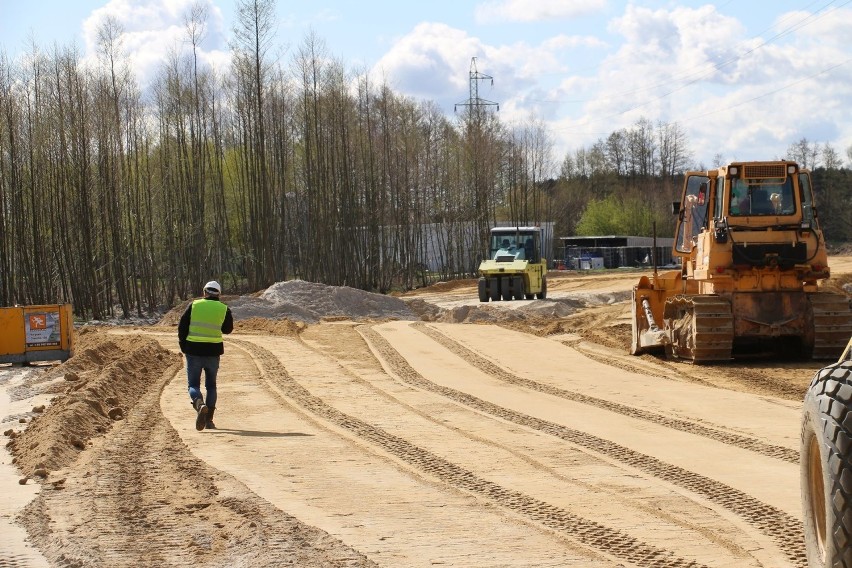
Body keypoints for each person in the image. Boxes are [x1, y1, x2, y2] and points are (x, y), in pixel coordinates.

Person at [178, 280, 234, 431]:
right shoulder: (224, 309)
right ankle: (209, 420)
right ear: (219, 295)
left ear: (204, 292)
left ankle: (199, 404)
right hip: (213, 353)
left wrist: (184, 346)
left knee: (193, 385)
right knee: (211, 386)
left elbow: (182, 326)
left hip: (193, 351)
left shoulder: (194, 305)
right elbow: (228, 330)